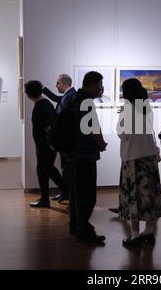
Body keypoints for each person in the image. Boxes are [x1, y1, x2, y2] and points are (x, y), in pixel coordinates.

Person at [116, 78, 161, 248]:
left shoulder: (127, 110)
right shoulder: (146, 108)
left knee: (134, 196)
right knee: (149, 195)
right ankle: (149, 231)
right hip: (149, 158)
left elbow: (123, 134)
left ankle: (135, 235)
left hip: (133, 159)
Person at [67, 71, 108, 244]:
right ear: (91, 84)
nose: (101, 88)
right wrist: (102, 143)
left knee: (76, 192)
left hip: (73, 153)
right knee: (88, 195)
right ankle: (84, 231)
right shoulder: (87, 102)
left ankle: (75, 226)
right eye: (99, 84)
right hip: (85, 154)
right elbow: (93, 128)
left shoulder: (74, 97)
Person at [24, 80, 67, 208]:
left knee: (43, 171)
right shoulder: (46, 103)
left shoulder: (40, 107)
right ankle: (66, 190)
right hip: (47, 146)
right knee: (49, 170)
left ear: (28, 94)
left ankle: (46, 199)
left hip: (46, 147)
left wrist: (50, 145)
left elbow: (48, 128)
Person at [43, 74, 77, 202]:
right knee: (65, 168)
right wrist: (43, 88)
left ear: (64, 84)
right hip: (63, 139)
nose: (56, 85)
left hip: (66, 140)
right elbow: (57, 98)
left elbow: (64, 117)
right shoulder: (68, 95)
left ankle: (67, 193)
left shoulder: (71, 96)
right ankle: (65, 192)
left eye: (57, 83)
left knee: (67, 169)